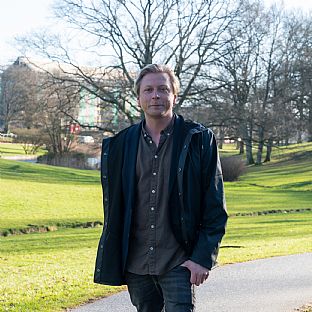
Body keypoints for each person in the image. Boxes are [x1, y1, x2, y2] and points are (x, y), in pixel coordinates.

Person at [94, 64, 228, 312]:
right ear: (139, 98)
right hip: (136, 264)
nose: (155, 95)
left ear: (174, 96)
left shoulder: (198, 139)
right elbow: (115, 207)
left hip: (179, 261)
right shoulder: (121, 144)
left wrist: (202, 258)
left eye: (163, 89)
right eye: (148, 90)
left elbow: (214, 206)